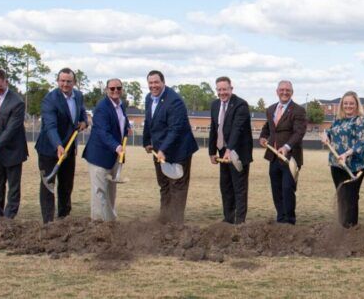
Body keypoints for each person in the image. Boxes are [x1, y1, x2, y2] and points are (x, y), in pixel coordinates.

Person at [143, 70, 199, 224]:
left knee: (178, 186)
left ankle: (176, 224)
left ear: (163, 82)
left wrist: (163, 150)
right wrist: (147, 142)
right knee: (164, 185)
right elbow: (149, 122)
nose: (153, 86)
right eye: (150, 83)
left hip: (178, 151)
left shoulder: (174, 101)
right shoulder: (149, 98)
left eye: (156, 82)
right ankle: (164, 220)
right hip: (160, 151)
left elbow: (176, 129)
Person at [35, 68, 87, 223]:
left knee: (66, 184)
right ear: (57, 81)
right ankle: (48, 221)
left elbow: (82, 112)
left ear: (74, 82)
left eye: (69, 81)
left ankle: (64, 217)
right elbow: (50, 126)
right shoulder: (50, 100)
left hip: (69, 148)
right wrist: (58, 145)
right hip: (49, 149)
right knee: (48, 184)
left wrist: (85, 121)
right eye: (62, 81)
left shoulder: (78, 96)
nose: (65, 84)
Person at [259, 80, 307, 225]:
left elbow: (299, 132)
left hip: (290, 158)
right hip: (274, 157)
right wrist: (262, 137)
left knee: (287, 189)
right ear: (277, 91)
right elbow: (268, 128)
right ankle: (280, 219)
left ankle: (289, 221)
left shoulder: (298, 110)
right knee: (276, 190)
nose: (284, 92)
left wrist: (286, 147)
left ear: (292, 92)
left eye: (288, 90)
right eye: (282, 90)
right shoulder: (271, 109)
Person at [83, 78, 130, 222]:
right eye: (112, 88)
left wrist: (127, 128)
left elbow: (122, 121)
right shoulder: (102, 107)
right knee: (100, 192)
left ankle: (109, 223)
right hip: (99, 156)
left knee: (110, 192)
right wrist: (117, 146)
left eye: (118, 88)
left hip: (114, 157)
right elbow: (103, 132)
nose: (115, 91)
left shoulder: (120, 105)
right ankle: (98, 225)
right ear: (106, 90)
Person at [208, 76, 253, 224]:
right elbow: (214, 129)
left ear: (231, 89)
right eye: (219, 90)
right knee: (225, 187)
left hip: (238, 154)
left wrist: (230, 149)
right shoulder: (215, 105)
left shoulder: (241, 105)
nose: (222, 93)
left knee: (239, 189)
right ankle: (228, 219)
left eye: (225, 89)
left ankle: (239, 222)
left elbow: (237, 129)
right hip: (222, 154)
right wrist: (212, 152)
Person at [0, 68, 28, 219]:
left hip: (13, 151)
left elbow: (10, 131)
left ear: (6, 82)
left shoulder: (17, 102)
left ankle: (9, 219)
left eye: (0, 87)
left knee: (13, 188)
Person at [325, 91, 364, 228]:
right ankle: (342, 226)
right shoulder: (338, 120)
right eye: (345, 103)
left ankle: (351, 228)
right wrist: (325, 135)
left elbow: (362, 143)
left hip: (355, 165)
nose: (348, 106)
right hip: (337, 164)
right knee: (341, 195)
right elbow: (330, 131)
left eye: (351, 103)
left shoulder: (361, 120)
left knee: (350, 196)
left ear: (356, 104)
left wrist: (346, 154)